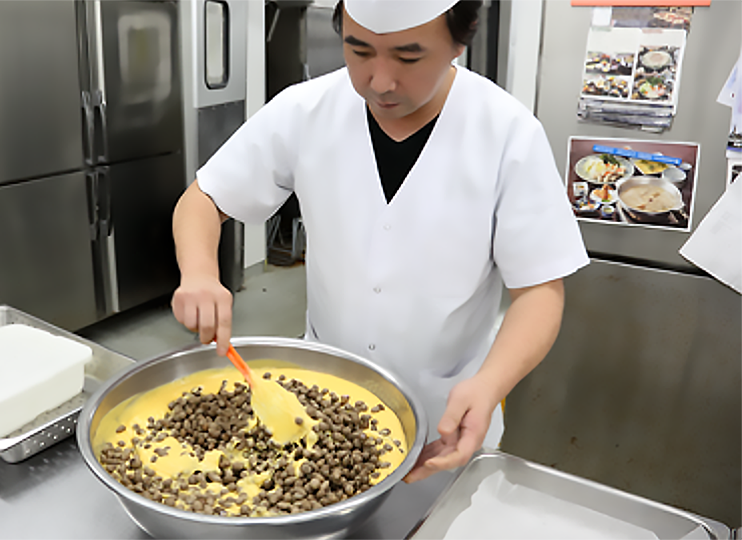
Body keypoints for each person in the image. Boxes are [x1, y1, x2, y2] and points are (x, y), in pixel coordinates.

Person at [170, 0, 588, 483]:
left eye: (408, 57)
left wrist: (491, 385)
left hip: (443, 419)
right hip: (318, 407)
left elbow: (539, 291)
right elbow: (203, 199)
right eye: (359, 50)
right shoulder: (306, 110)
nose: (380, 81)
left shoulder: (507, 133)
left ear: (461, 38)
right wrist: (199, 274)